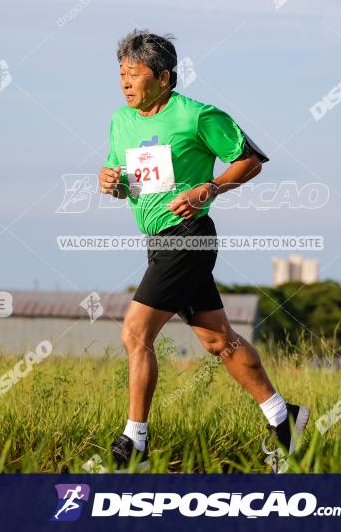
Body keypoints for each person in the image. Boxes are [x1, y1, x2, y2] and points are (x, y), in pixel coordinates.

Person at [98, 29, 308, 473]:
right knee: (219, 340)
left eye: (134, 75)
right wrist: (112, 184)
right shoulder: (121, 121)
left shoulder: (197, 116)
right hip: (159, 242)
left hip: (189, 235)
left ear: (164, 77)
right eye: (121, 74)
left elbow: (249, 160)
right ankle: (284, 418)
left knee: (135, 333)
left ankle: (135, 439)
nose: (125, 83)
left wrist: (207, 189)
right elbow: (126, 183)